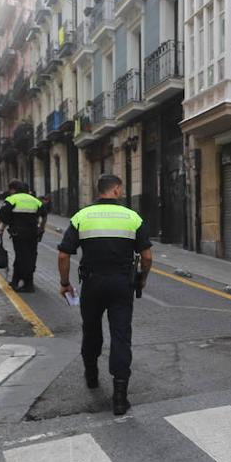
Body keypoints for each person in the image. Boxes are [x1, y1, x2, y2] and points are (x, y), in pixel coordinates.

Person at [57, 174, 152, 416]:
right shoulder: (133, 217)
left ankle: (91, 375)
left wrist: (65, 283)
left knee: (91, 329)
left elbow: (63, 255)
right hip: (122, 285)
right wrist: (143, 277)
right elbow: (148, 256)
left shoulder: (82, 216)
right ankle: (120, 398)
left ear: (99, 191)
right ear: (117, 190)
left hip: (92, 283)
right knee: (121, 336)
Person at [0, 180, 47, 292]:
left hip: (18, 234)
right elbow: (44, 215)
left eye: (10, 190)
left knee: (22, 258)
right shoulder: (35, 200)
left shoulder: (12, 199)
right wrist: (41, 228)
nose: (9, 192)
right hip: (33, 234)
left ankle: (28, 285)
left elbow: (1, 216)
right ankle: (15, 281)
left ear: (13, 189)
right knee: (28, 256)